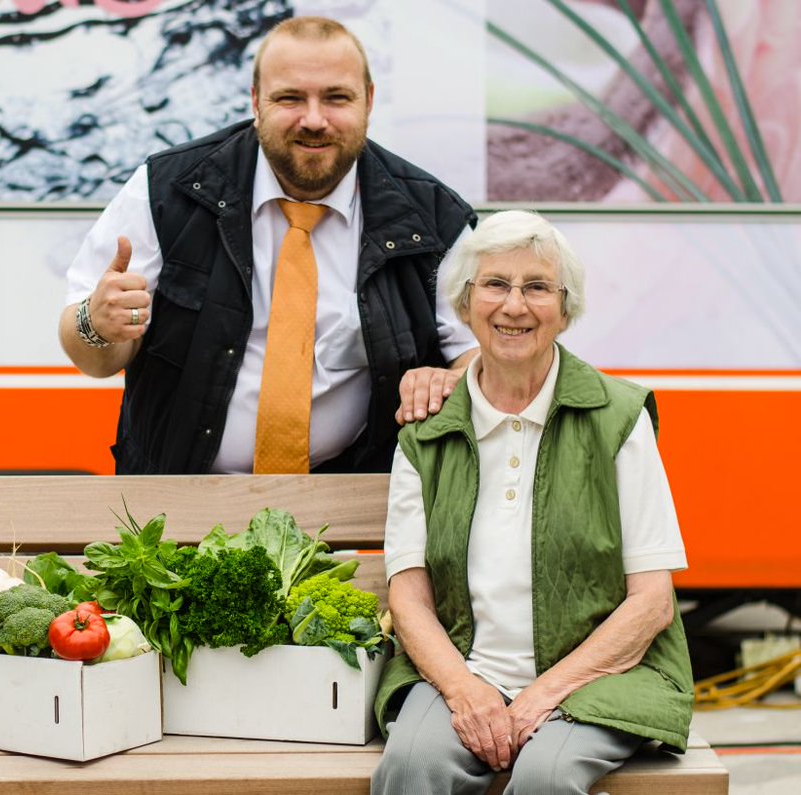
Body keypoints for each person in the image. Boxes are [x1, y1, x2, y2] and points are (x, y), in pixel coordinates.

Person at [58, 16, 478, 474]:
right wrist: (96, 325)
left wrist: (453, 380)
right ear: (256, 101)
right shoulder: (166, 190)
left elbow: (481, 360)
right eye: (290, 98)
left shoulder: (434, 218)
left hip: (352, 510)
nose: (314, 120)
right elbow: (92, 358)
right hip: (174, 503)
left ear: (368, 101)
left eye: (336, 98)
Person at [371, 210, 693, 794]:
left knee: (546, 774)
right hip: (465, 669)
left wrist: (540, 697)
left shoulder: (616, 418)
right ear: (465, 305)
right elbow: (409, 596)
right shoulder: (425, 433)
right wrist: (466, 691)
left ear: (565, 311)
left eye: (537, 287)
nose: (514, 306)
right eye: (495, 285)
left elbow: (652, 604)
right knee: (415, 765)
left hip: (596, 680)